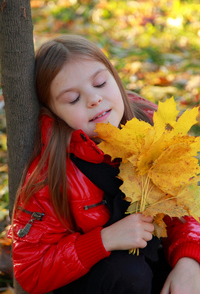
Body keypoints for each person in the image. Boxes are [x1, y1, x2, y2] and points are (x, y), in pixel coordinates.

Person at [8, 35, 200, 294]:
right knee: (128, 274)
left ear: (114, 77)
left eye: (100, 83)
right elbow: (30, 270)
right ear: (53, 112)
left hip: (156, 263)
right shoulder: (50, 173)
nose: (94, 99)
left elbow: (185, 209)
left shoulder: (152, 128)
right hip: (102, 281)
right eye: (73, 98)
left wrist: (189, 261)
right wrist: (103, 241)